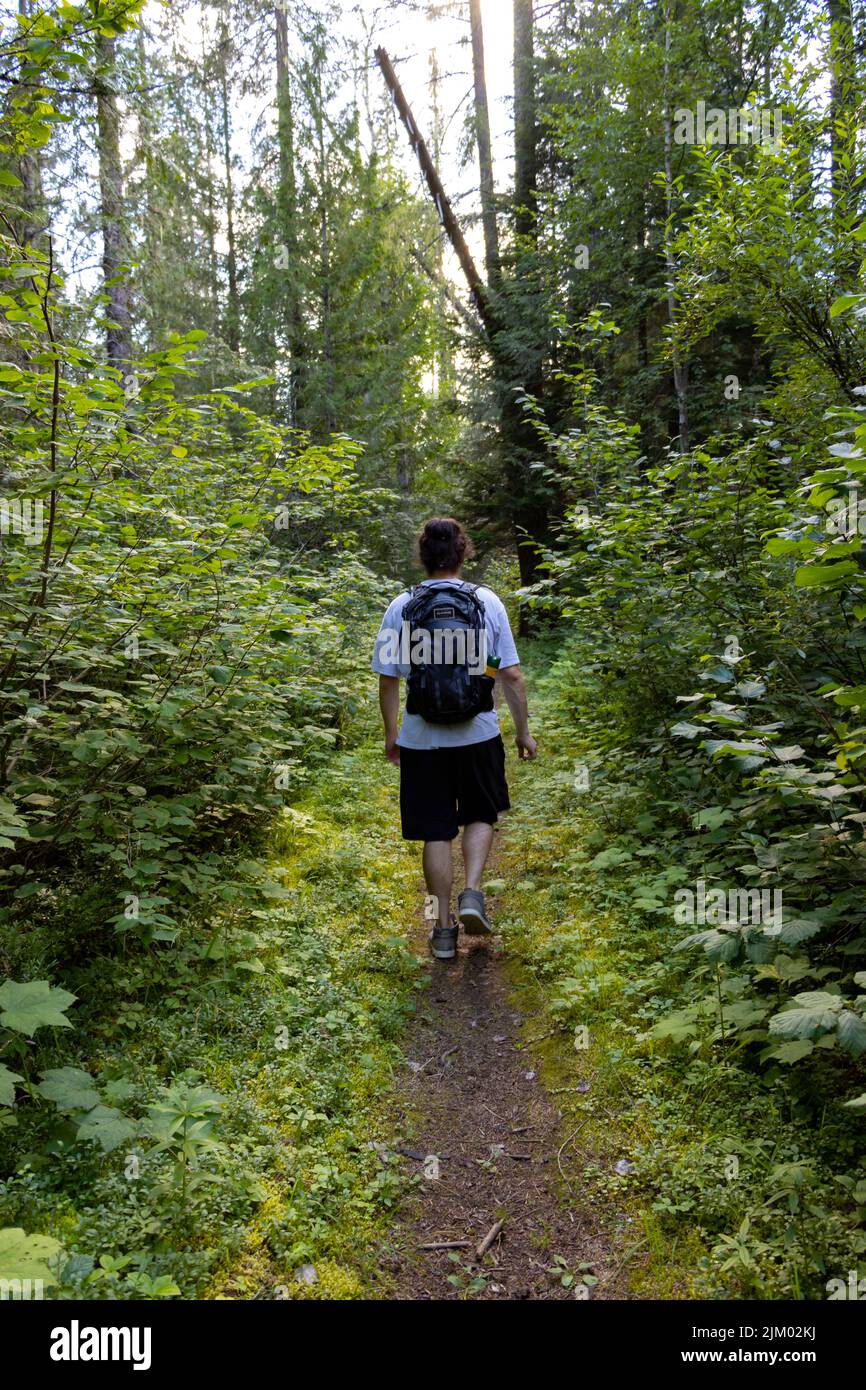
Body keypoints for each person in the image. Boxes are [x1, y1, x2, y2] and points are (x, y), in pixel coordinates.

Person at [372, 517, 538, 960]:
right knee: (480, 813)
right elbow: (512, 675)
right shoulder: (487, 602)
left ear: (423, 556)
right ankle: (471, 893)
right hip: (479, 732)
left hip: (422, 738)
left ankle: (443, 929)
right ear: (463, 553)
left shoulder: (400, 606)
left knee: (435, 830)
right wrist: (522, 732)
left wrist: (393, 737)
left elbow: (388, 682)